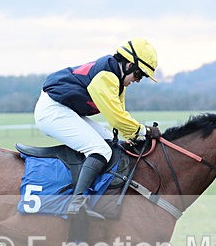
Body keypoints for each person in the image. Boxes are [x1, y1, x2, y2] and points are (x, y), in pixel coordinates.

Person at [34, 38, 161, 217]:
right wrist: (143, 131)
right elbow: (116, 118)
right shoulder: (106, 76)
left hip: (66, 110)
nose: (138, 80)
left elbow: (120, 114)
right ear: (130, 64)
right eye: (139, 75)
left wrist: (134, 136)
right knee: (100, 150)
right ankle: (76, 204)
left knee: (110, 142)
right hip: (53, 111)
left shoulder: (116, 76)